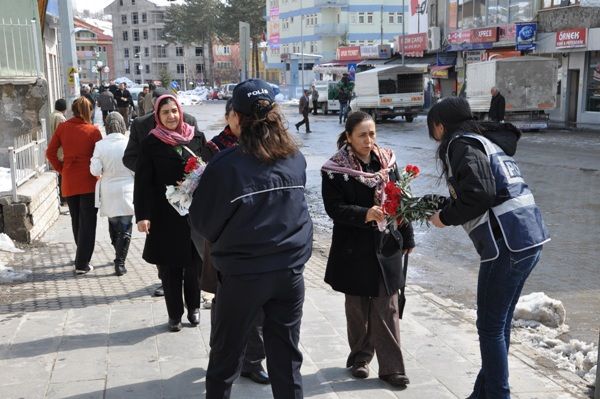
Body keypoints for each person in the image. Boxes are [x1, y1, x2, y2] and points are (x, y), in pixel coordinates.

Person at [189, 79, 313, 399]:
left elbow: (204, 223)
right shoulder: (295, 159)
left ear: (238, 118)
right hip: (289, 273)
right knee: (286, 361)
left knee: (225, 359)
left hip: (244, 276)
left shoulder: (226, 166)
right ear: (276, 115)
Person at [426, 97, 549, 399]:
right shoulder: (484, 141)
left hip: (507, 244)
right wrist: (442, 204)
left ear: (440, 125)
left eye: (432, 128)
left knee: (490, 327)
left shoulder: (460, 144)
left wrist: (445, 217)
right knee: (499, 323)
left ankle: (497, 394)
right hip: (529, 237)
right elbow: (488, 192)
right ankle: (484, 392)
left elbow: (480, 194)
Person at [321, 110, 414, 388]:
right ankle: (360, 358)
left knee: (387, 307)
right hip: (353, 249)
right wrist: (365, 213)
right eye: (362, 134)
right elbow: (333, 208)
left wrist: (407, 236)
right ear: (348, 137)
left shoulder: (387, 161)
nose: (369, 139)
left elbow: (401, 200)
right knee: (358, 308)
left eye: (372, 133)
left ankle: (392, 368)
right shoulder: (335, 170)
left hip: (387, 245)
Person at [198, 99, 270, 386]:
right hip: (222, 237)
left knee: (259, 306)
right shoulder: (215, 147)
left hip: (258, 238)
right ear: (228, 117)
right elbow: (200, 190)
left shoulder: (265, 146)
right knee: (223, 301)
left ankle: (253, 361)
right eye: (235, 115)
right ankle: (223, 356)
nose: (240, 120)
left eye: (245, 116)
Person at [123, 88, 205, 298]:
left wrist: (193, 179)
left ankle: (194, 307)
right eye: (165, 112)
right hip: (163, 208)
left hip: (192, 209)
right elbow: (138, 172)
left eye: (174, 110)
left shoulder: (193, 130)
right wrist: (154, 174)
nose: (171, 116)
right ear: (156, 112)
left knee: (194, 262)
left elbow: (206, 163)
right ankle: (174, 313)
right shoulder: (147, 135)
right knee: (169, 263)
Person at [46, 97, 102, 275]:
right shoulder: (93, 131)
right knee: (88, 222)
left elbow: (50, 152)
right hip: (89, 181)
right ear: (89, 111)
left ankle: (81, 255)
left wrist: (62, 169)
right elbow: (99, 157)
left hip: (69, 179)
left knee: (76, 219)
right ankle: (82, 262)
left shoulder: (63, 128)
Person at [90, 112, 134, 276]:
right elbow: (136, 168)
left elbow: (95, 170)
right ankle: (120, 261)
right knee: (126, 227)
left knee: (114, 225)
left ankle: (118, 253)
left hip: (108, 187)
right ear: (123, 124)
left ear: (107, 126)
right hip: (127, 187)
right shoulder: (129, 142)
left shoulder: (100, 145)